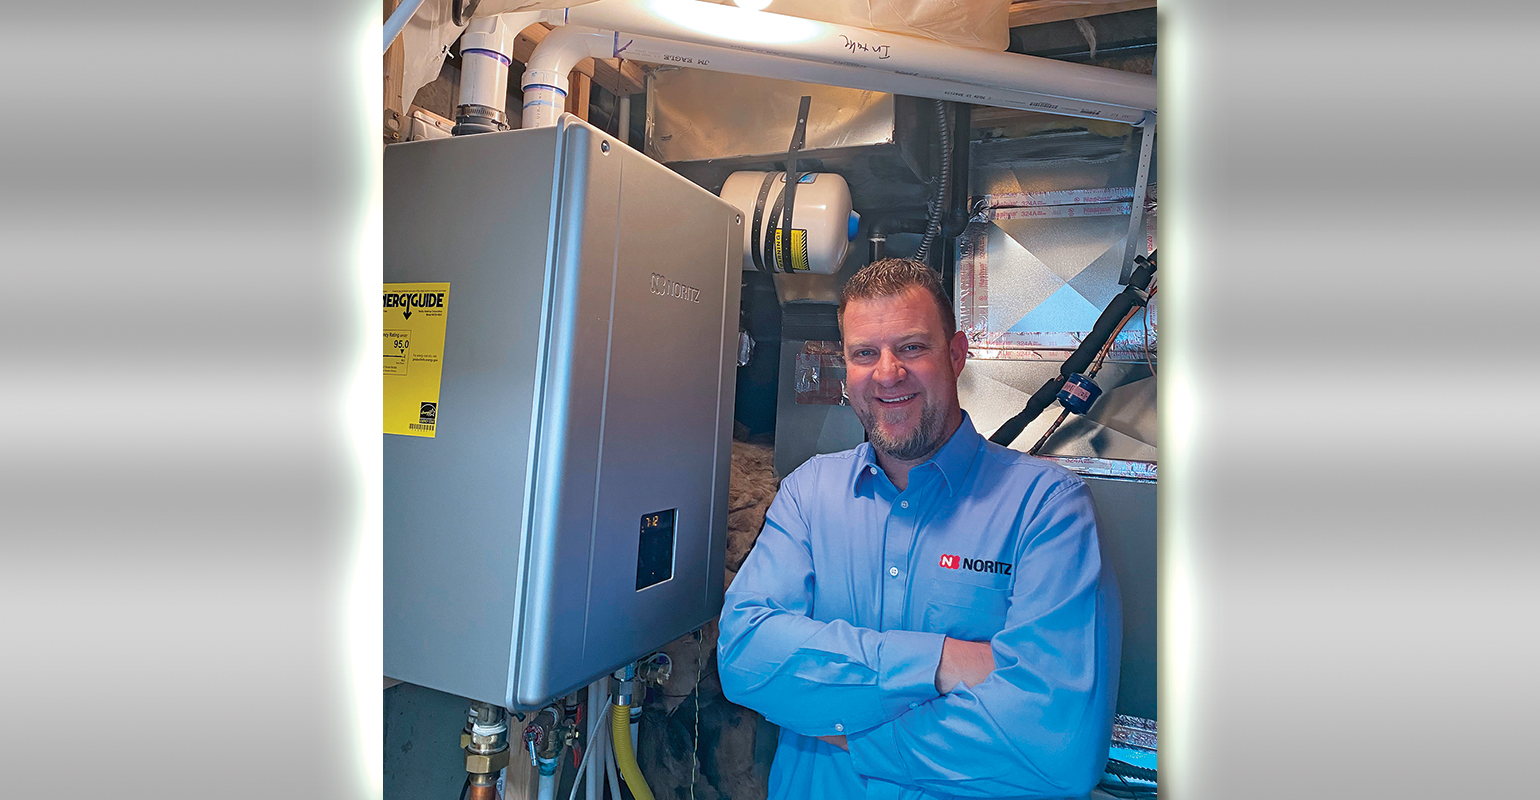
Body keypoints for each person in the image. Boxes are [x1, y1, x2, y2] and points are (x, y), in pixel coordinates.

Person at [717, 258, 1121, 799]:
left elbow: (1060, 745)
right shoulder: (809, 494)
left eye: (911, 347)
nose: (888, 373)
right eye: (865, 353)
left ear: (955, 355)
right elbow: (744, 657)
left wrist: (847, 731)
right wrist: (942, 662)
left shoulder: (1046, 509)